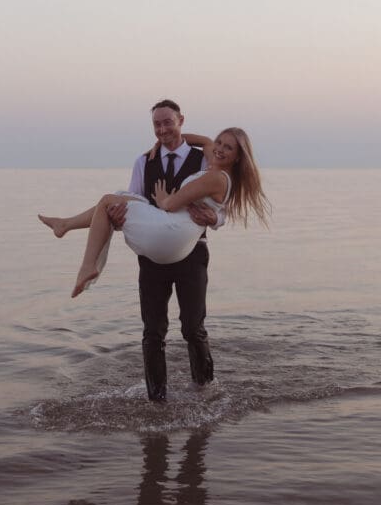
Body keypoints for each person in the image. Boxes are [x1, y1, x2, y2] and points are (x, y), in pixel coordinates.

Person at [39, 100, 270, 402]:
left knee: (193, 327)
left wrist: (215, 218)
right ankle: (156, 398)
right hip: (152, 255)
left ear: (181, 121)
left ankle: (205, 390)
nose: (162, 130)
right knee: (153, 331)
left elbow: (222, 206)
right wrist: (119, 220)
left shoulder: (206, 160)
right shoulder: (143, 162)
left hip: (191, 253)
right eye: (157, 125)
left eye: (168, 123)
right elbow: (134, 204)